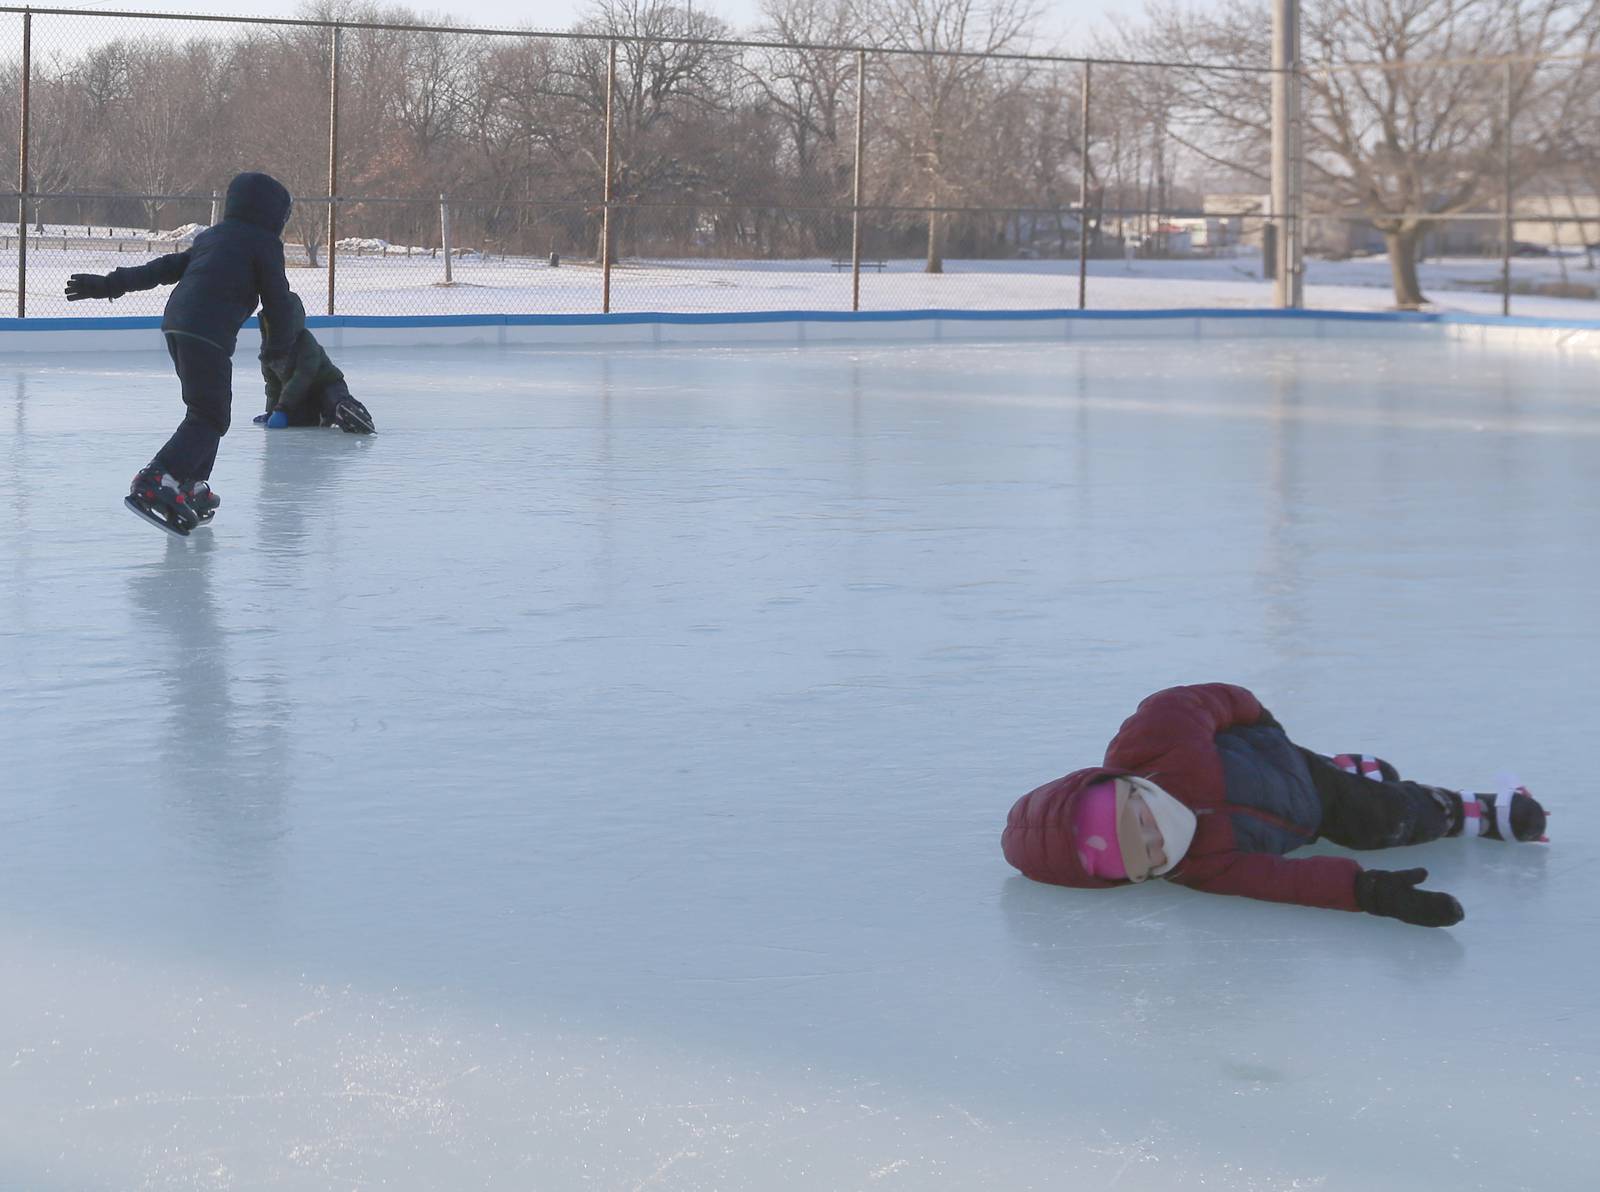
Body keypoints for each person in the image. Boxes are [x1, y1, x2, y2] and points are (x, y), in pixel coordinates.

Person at [1001, 683, 1548, 928]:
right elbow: (1285, 883)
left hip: (1289, 765)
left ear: (1128, 785)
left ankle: (1477, 810)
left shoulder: (1156, 743)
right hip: (1307, 822)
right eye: (1144, 855)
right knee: (1358, 822)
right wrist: (1371, 892)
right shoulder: (1203, 868)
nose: (1160, 838)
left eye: (1139, 820)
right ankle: (1353, 770)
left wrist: (1259, 722)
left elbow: (1193, 701)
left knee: (1384, 820)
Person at [64, 171, 298, 533]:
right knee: (209, 415)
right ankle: (159, 476)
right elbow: (278, 300)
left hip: (178, 323)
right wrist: (281, 348)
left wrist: (109, 285)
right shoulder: (264, 244)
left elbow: (164, 268)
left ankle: (190, 485)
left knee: (211, 410)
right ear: (274, 214)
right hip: (208, 331)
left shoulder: (213, 237)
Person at [249, 291, 375, 434]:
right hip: (302, 396)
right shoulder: (269, 351)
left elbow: (302, 377)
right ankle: (322, 416)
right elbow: (272, 385)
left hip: (326, 384)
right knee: (296, 420)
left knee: (333, 397)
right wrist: (272, 411)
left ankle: (345, 410)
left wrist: (282, 408)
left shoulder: (305, 342)